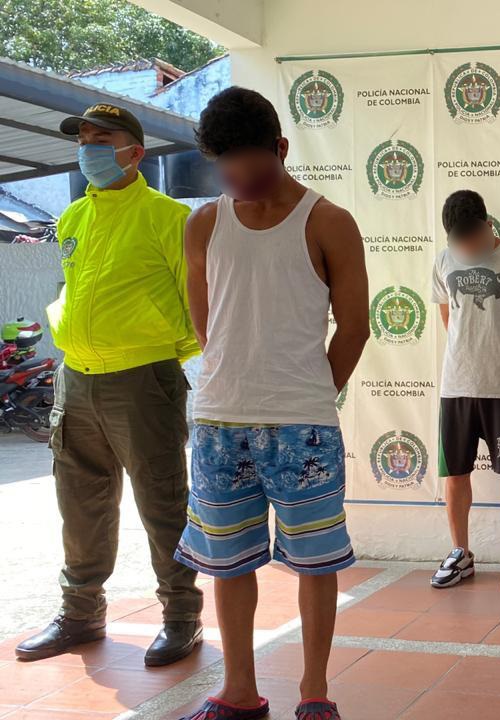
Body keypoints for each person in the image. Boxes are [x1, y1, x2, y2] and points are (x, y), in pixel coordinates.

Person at [175, 87, 369, 720]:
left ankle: (314, 691)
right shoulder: (204, 224)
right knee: (228, 562)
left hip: (302, 427)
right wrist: (233, 380)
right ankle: (239, 690)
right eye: (223, 170)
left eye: (250, 169)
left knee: (315, 561)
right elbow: (206, 323)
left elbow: (356, 326)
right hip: (218, 421)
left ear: (281, 149)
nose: (236, 182)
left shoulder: (329, 222)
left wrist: (310, 393)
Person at [16, 104, 204, 667]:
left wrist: (154, 352)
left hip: (143, 380)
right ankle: (80, 614)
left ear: (134, 153)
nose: (88, 149)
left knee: (162, 503)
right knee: (80, 503)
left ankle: (181, 617)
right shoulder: (74, 217)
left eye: (101, 140)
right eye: (83, 140)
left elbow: (199, 306)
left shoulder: (170, 217)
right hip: (75, 377)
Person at [429, 189, 500, 592]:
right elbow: (449, 318)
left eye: (472, 237)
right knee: (455, 472)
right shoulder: (443, 260)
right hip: (456, 385)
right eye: (458, 240)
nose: (466, 247)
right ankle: (460, 553)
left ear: (488, 225)